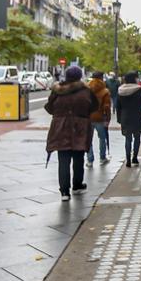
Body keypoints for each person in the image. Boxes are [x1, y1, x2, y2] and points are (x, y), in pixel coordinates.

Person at [45, 65, 98, 201]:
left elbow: (49, 107)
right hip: (79, 127)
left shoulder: (57, 90)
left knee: (63, 159)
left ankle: (64, 191)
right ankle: (77, 185)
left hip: (60, 128)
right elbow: (94, 106)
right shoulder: (85, 91)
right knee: (78, 157)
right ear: (80, 76)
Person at [115, 72, 141, 167]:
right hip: (137, 117)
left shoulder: (120, 90)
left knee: (128, 139)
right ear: (134, 79)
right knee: (137, 138)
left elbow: (118, 106)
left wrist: (119, 118)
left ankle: (128, 159)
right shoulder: (138, 90)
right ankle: (135, 158)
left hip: (125, 117)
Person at [86, 71, 112, 166]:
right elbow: (107, 107)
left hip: (88, 118)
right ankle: (102, 157)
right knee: (102, 138)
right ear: (101, 78)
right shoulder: (104, 91)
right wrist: (107, 118)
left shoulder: (86, 89)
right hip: (100, 117)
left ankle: (90, 160)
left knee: (88, 139)